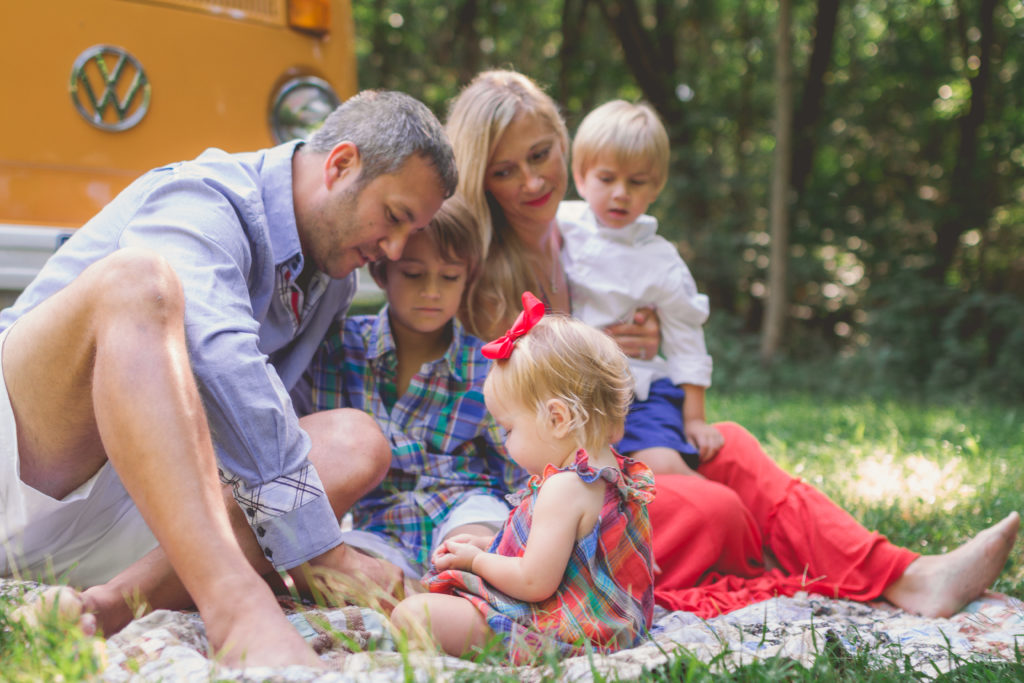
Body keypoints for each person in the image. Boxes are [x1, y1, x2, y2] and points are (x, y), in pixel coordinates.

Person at [444, 68, 1020, 620]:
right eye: (505, 171)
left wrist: (646, 344)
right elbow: (510, 416)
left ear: (565, 147)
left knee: (731, 446)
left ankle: (906, 575)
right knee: (720, 508)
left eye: (541, 155)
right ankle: (797, 560)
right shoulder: (484, 271)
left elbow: (661, 314)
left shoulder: (580, 231)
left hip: (611, 444)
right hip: (556, 491)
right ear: (480, 178)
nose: (532, 181)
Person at [0, 89, 456, 668]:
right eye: (394, 218)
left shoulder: (333, 281)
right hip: (24, 469)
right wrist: (321, 552)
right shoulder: (205, 193)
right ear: (341, 164)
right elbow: (216, 352)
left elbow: (277, 431)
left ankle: (104, 606)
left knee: (355, 441)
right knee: (138, 282)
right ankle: (235, 607)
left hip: (148, 505)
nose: (392, 249)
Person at [391, 294, 655, 662]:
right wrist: (490, 544)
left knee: (413, 614)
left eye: (508, 429)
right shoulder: (609, 472)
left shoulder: (564, 487)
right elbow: (561, 557)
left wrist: (474, 561)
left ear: (557, 419)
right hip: (604, 624)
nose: (505, 441)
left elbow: (534, 582)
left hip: (569, 636)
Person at [307, 196, 527, 579]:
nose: (431, 291)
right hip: (381, 523)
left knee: (473, 551)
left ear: (467, 280)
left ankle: (457, 594)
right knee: (334, 574)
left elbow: (518, 470)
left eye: (449, 277)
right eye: (412, 274)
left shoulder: (486, 366)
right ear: (381, 274)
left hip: (466, 505)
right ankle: (419, 599)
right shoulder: (341, 350)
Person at [559, 99, 718, 475]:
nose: (620, 193)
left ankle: (712, 508)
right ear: (580, 177)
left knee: (659, 468)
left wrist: (694, 418)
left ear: (656, 186)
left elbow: (685, 335)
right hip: (572, 394)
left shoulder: (661, 259)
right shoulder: (560, 225)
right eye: (606, 178)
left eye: (636, 182)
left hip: (639, 395)